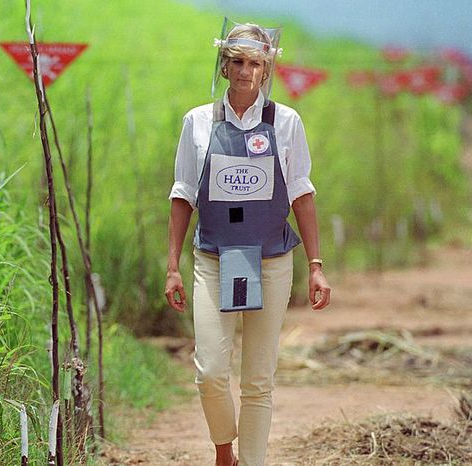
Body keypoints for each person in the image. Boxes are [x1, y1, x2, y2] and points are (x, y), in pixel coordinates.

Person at [164, 20, 331, 466]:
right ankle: (224, 449)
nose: (244, 71)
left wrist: (315, 264)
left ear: (266, 69)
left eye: (254, 63)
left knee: (259, 379)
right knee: (211, 371)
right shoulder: (197, 122)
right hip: (213, 259)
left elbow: (302, 193)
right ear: (224, 66)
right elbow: (183, 195)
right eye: (236, 61)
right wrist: (172, 265)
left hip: (271, 260)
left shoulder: (287, 122)